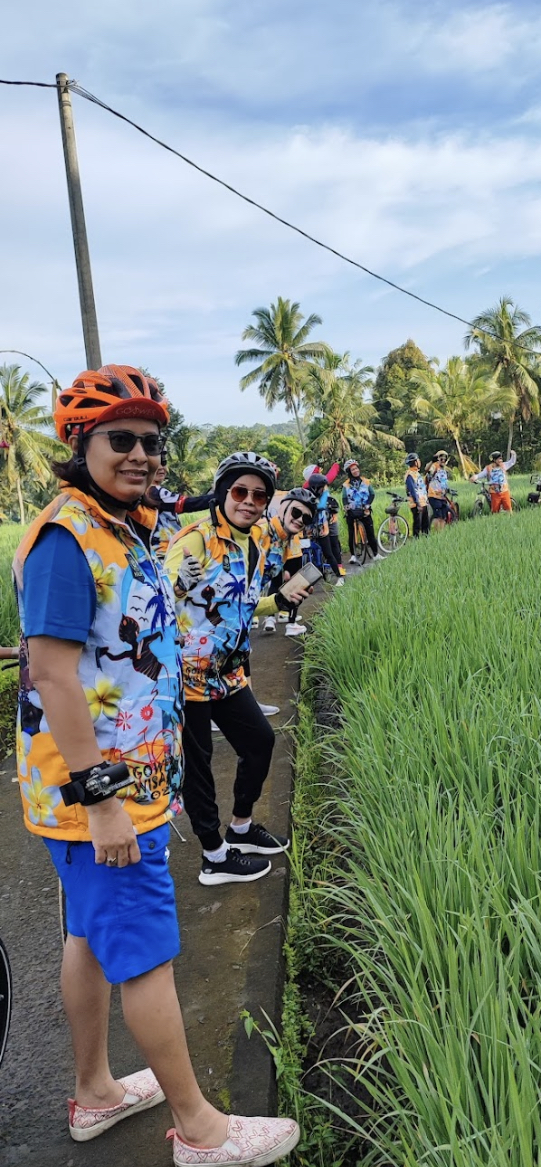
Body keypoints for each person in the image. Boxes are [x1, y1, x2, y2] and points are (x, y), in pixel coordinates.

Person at [13, 366, 299, 1163]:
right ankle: (201, 1129)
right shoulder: (69, 538)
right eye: (121, 439)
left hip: (116, 784)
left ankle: (97, 1091)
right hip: (96, 795)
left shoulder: (121, 526)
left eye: (151, 441)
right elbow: (56, 674)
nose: (141, 454)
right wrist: (104, 800)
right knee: (144, 952)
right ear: (79, 443)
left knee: (89, 936)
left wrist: (154, 782)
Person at [164, 453, 311, 888]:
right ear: (222, 493)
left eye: (259, 494)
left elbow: (243, 606)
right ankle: (213, 855)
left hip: (228, 672)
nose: (249, 501)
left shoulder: (256, 543)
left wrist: (280, 601)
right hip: (189, 675)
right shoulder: (195, 539)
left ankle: (241, 828)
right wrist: (177, 584)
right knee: (199, 764)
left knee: (261, 742)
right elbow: (161, 592)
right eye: (239, 491)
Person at [255, 487, 316, 639]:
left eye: (306, 519)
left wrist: (279, 601)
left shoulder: (284, 543)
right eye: (296, 512)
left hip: (236, 628)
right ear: (282, 508)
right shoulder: (258, 532)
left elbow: (245, 601)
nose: (300, 519)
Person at [145, 455, 213, 562]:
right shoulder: (153, 491)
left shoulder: (152, 491)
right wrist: (219, 496)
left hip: (170, 549)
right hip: (163, 553)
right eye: (156, 463)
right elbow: (188, 504)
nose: (161, 467)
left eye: (163, 462)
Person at [305, 473, 345, 584]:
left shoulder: (324, 494)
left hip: (322, 528)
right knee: (302, 552)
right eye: (323, 487)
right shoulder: (306, 493)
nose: (324, 489)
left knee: (328, 553)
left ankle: (340, 577)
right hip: (308, 527)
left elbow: (321, 506)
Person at [341, 458, 382, 562]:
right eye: (353, 469)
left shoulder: (365, 481)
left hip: (364, 510)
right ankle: (353, 555)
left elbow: (372, 494)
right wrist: (346, 506)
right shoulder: (346, 484)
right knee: (352, 533)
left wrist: (368, 504)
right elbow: (344, 497)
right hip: (352, 511)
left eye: (356, 468)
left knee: (370, 532)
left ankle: (376, 554)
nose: (355, 471)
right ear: (349, 472)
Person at [404, 453, 429, 537]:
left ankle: (427, 541)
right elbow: (412, 491)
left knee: (426, 525)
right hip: (417, 504)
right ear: (415, 462)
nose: (419, 462)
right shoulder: (410, 475)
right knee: (417, 525)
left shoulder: (416, 473)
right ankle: (416, 541)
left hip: (423, 502)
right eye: (418, 460)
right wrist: (418, 503)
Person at [425, 450, 451, 530]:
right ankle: (437, 534)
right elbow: (427, 470)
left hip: (442, 497)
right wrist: (432, 462)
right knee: (438, 516)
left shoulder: (444, 470)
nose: (443, 460)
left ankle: (441, 534)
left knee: (443, 517)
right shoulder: (434, 466)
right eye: (441, 458)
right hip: (434, 496)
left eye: (444, 459)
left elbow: (444, 483)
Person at [326, 496, 345, 572]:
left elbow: (335, 508)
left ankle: (339, 566)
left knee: (334, 544)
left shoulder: (330, 499)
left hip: (331, 523)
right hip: (318, 524)